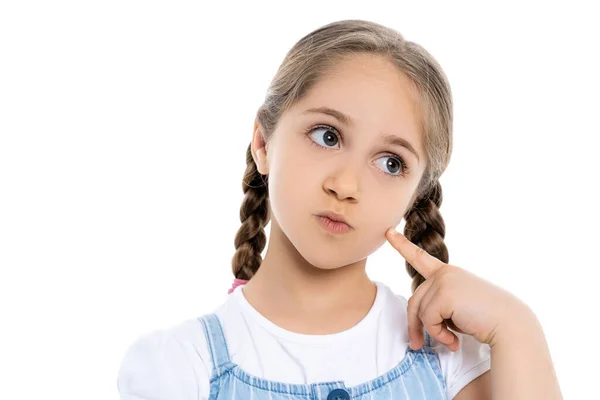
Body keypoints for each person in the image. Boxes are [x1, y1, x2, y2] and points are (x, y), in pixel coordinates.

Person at [117, 19, 562, 399]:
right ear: (263, 143)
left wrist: (516, 326)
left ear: (415, 194)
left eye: (391, 163)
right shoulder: (180, 367)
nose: (346, 186)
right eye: (327, 135)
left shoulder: (453, 360)